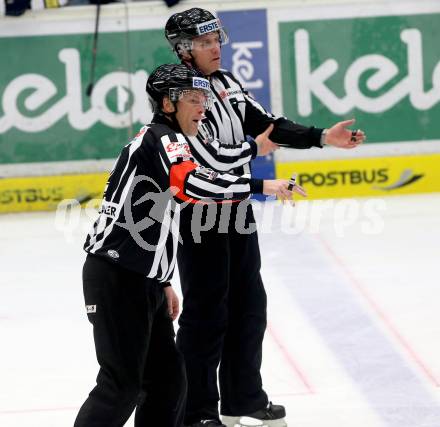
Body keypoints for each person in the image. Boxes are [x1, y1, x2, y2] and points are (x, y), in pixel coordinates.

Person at [164, 8, 366, 427]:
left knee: (249, 306)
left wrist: (322, 137)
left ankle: (243, 399)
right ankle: (195, 411)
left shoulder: (227, 83)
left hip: (236, 210)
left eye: (216, 38)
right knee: (206, 315)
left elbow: (269, 126)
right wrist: (255, 153)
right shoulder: (179, 93)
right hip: (200, 216)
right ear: (184, 49)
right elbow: (209, 158)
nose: (215, 47)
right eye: (204, 42)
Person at [74, 63, 303, 427]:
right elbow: (195, 186)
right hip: (117, 277)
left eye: (205, 99)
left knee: (166, 383)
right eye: (194, 99)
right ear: (167, 104)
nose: (203, 107)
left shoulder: (169, 142)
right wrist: (263, 187)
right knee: (120, 386)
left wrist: (161, 282)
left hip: (141, 279)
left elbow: (163, 207)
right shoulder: (163, 138)